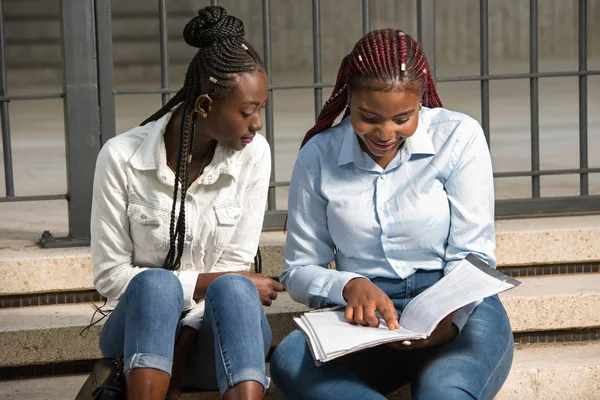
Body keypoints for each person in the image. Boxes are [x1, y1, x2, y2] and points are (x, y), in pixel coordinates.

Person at [270, 29, 513, 400]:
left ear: (421, 100)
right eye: (368, 117)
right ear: (348, 98)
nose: (385, 133)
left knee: (444, 393)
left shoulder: (458, 137)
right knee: (290, 359)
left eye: (403, 117)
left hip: (456, 310)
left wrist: (447, 320)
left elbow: (474, 256)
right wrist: (349, 285)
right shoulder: (317, 156)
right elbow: (299, 270)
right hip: (365, 318)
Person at [90, 6, 283, 400]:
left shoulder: (254, 155)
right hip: (137, 344)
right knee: (156, 285)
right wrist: (201, 282)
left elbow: (234, 271)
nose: (258, 123)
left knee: (233, 291)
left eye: (261, 108)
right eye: (248, 111)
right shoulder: (121, 158)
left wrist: (182, 348)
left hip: (217, 346)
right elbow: (111, 278)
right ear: (205, 106)